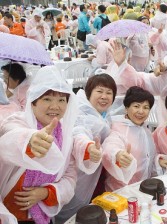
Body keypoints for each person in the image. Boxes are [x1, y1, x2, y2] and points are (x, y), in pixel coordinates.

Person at [0, 66, 78, 223]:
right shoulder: (19, 121)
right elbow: (10, 136)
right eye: (47, 99)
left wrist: (46, 193)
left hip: (42, 215)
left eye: (61, 100)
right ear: (33, 102)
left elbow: (70, 176)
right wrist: (30, 140)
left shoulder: (66, 137)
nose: (55, 106)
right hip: (10, 215)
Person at [55, 73, 117, 223]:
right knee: (76, 215)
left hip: (96, 174)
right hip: (79, 175)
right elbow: (78, 132)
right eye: (99, 91)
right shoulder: (81, 114)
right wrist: (88, 147)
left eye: (109, 93)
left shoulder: (103, 113)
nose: (104, 96)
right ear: (89, 93)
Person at [102, 86, 157, 191]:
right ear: (126, 108)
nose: (141, 111)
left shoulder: (146, 130)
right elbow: (110, 145)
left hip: (143, 190)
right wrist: (117, 154)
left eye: (146, 107)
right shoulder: (117, 127)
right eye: (136, 106)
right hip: (120, 192)